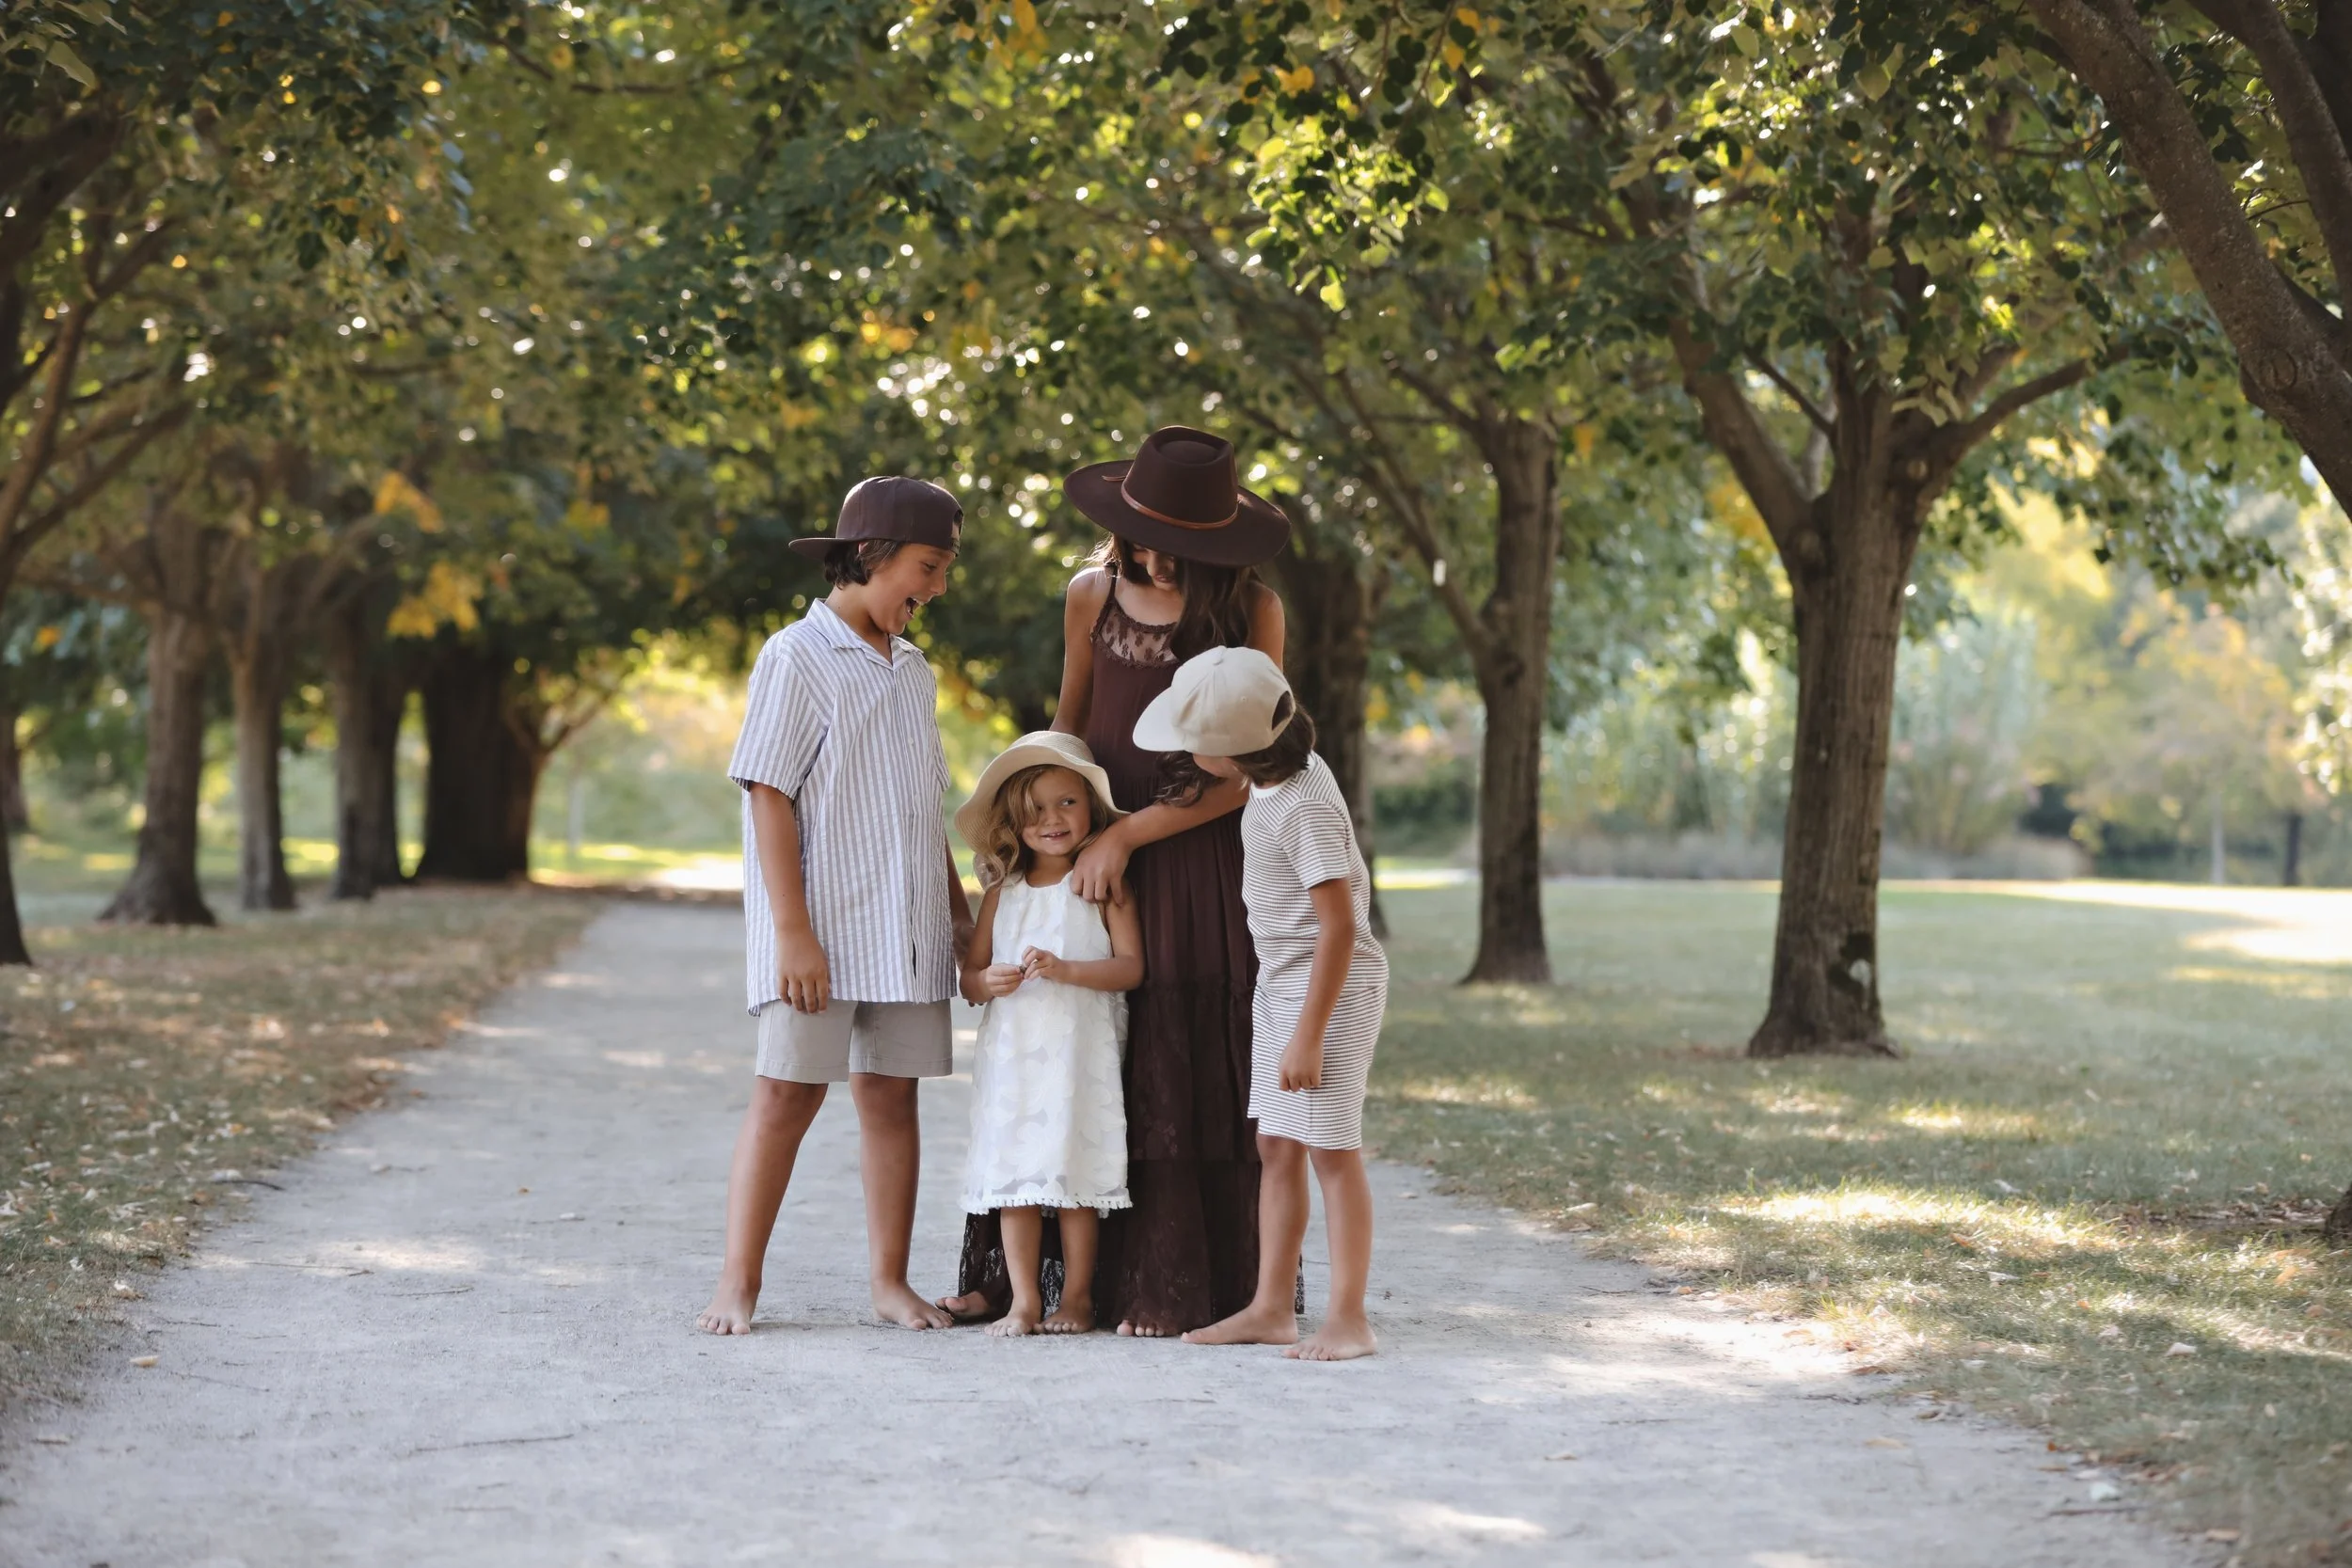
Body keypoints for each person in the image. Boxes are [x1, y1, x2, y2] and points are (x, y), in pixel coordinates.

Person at [940, 426, 1292, 1337]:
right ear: (1124, 529)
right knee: (1064, 1047)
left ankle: (1174, 1281)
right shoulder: (1089, 595)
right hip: (1084, 841)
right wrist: (1039, 831)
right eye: (1151, 544)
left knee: (1173, 1044)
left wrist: (1130, 835)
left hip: (1192, 847)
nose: (1163, 564)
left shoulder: (1254, 611)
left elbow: (1252, 761)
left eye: (1188, 550)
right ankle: (1023, 1276)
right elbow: (1068, 721)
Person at [695, 475, 974, 1337]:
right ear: (869, 555)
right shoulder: (795, 655)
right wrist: (792, 934)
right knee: (786, 1094)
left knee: (893, 1099)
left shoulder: (915, 671)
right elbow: (768, 793)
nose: (934, 588)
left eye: (944, 572)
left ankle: (890, 1283)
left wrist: (960, 922)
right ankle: (737, 1284)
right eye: (926, 568)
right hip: (818, 928)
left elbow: (924, 806)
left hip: (907, 928)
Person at [1150, 648, 1388, 1361]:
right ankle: (1271, 1306)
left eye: (1197, 742)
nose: (1189, 752)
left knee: (1332, 1152)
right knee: (1275, 1146)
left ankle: (1349, 1317)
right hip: (1282, 985)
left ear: (1233, 749)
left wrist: (1308, 1034)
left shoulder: (1304, 804)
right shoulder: (1273, 780)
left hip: (1329, 989)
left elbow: (1339, 926)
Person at [953, 732, 1143, 1337]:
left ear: (1091, 810)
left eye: (1067, 803)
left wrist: (1066, 970)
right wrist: (990, 979)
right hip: (1013, 1061)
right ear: (1016, 822)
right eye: (1036, 810)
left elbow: (1132, 967)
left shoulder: (1101, 886)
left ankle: (1079, 1298)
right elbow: (971, 981)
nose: (1052, 820)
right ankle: (1025, 1301)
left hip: (1077, 1057)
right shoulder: (1002, 896)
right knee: (1016, 1181)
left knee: (1074, 1177)